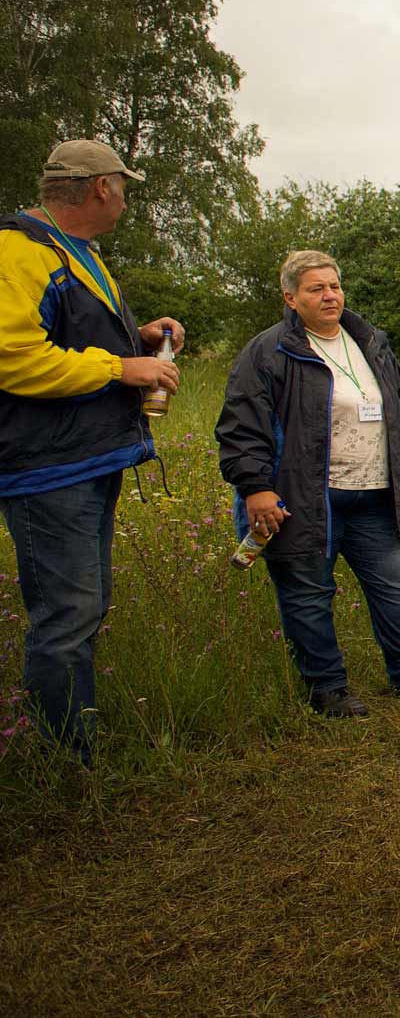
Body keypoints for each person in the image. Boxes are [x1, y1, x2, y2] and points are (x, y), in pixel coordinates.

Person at [217, 251, 400, 717]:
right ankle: (327, 688)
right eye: (316, 288)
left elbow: (399, 411)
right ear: (290, 298)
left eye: (334, 285)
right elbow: (240, 427)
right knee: (308, 593)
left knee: (395, 585)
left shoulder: (369, 341)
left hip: (375, 495)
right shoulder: (268, 352)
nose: (329, 295)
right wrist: (255, 487)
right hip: (305, 497)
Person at [0, 140, 182, 764]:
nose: (126, 198)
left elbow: (70, 338)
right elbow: (14, 359)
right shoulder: (17, 251)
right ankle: (65, 764)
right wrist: (119, 366)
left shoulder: (75, 253)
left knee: (83, 608)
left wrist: (142, 338)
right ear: (102, 187)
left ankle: (77, 747)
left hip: (84, 458)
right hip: (47, 468)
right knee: (66, 616)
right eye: (124, 186)